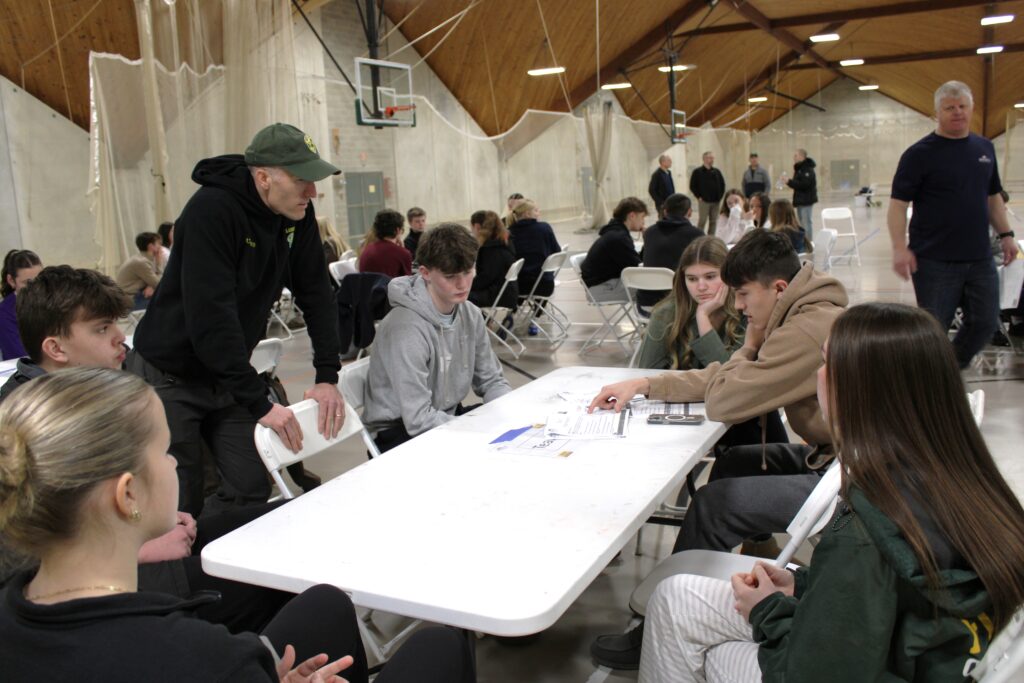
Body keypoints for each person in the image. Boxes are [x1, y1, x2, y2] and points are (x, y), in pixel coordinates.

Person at [0, 367, 477, 682]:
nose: (174, 464)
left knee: (328, 602)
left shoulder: (14, 610)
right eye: (166, 453)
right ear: (128, 496)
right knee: (441, 644)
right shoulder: (200, 657)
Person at [638, 303, 1024, 683]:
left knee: (691, 623)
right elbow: (892, 596)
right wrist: (803, 584)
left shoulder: (868, 524)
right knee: (678, 597)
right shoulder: (971, 482)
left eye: (825, 364)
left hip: (861, 664)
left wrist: (766, 610)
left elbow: (811, 672)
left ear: (855, 389)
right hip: (930, 654)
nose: (818, 375)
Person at [588, 229, 848, 670]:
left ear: (778, 289)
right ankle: (732, 574)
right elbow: (725, 378)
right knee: (733, 462)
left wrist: (748, 343)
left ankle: (659, 621)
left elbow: (726, 399)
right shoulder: (799, 310)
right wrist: (648, 383)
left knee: (712, 503)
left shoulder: (804, 329)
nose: (739, 304)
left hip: (855, 481)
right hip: (837, 455)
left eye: (744, 294)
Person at [0, 265, 302, 634]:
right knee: (283, 575)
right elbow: (14, 561)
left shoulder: (90, 397)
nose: (120, 340)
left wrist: (157, 522)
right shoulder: (21, 423)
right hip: (105, 583)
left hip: (133, 547)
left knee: (287, 521)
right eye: (101, 329)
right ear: (55, 348)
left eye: (115, 324)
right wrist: (140, 547)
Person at [128, 123, 345, 517]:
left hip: (225, 375)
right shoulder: (212, 211)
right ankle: (180, 573)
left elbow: (316, 292)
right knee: (179, 499)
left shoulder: (295, 214)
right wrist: (258, 401)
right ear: (263, 177)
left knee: (250, 486)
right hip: (170, 373)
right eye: (302, 180)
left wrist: (327, 374)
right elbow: (212, 319)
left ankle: (218, 564)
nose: (312, 192)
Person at [889, 80, 1017, 368]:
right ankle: (929, 384)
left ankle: (947, 370)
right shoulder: (919, 154)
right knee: (932, 330)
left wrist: (1006, 234)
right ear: (937, 112)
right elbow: (898, 205)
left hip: (980, 257)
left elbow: (993, 196)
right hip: (934, 261)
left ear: (971, 109)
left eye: (962, 107)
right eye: (950, 108)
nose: (957, 112)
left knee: (985, 322)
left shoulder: (984, 148)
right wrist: (899, 247)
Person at [364, 223, 512, 453]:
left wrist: (511, 414)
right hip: (397, 434)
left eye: (468, 271)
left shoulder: (470, 313)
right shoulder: (405, 328)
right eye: (450, 276)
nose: (462, 284)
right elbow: (418, 420)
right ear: (425, 273)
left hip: (444, 416)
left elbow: (491, 380)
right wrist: (479, 433)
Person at [635, 236, 743, 371]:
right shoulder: (666, 313)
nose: (701, 287)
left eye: (710, 277)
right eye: (692, 279)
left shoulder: (744, 310)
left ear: (728, 274)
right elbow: (646, 373)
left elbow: (728, 376)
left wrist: (702, 317)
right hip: (676, 391)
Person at [637, 193, 703, 308]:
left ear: (665, 211)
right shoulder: (696, 235)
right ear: (689, 212)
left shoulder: (649, 233)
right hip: (680, 305)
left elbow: (643, 259)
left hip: (646, 304)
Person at [581, 197, 646, 302]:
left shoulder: (616, 232)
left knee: (649, 286)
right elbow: (637, 268)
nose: (643, 222)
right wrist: (648, 242)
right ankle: (646, 317)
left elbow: (636, 264)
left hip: (605, 283)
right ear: (632, 216)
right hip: (600, 289)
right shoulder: (618, 237)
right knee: (652, 290)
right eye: (642, 217)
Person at [508, 198, 561, 300]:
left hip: (519, 286)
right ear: (527, 214)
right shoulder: (544, 228)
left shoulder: (510, 233)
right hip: (546, 284)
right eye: (536, 210)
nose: (539, 213)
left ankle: (514, 310)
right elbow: (557, 252)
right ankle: (538, 310)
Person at [468, 209, 518, 310]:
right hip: (508, 292)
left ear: (477, 227)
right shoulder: (504, 241)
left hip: (500, 296)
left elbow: (486, 278)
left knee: (458, 297)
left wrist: (467, 286)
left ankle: (477, 324)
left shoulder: (490, 249)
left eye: (472, 229)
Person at [0, 250, 42, 361]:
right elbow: (18, 357)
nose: (35, 287)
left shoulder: (52, 301)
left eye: (39, 280)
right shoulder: (4, 314)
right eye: (27, 283)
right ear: (11, 280)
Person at [358, 209, 412, 278]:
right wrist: (402, 250)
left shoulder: (366, 250)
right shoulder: (403, 254)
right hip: (388, 288)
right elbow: (407, 284)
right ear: (398, 230)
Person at [116, 231, 164, 310]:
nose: (161, 247)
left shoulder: (141, 259)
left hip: (132, 295)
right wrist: (159, 264)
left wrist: (151, 285)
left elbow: (153, 281)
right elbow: (158, 284)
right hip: (131, 298)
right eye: (158, 244)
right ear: (151, 246)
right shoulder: (141, 262)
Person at [784, 148, 817, 241]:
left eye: (796, 155)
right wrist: (789, 182)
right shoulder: (799, 169)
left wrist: (789, 181)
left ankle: (809, 242)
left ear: (802, 156)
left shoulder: (807, 169)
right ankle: (804, 241)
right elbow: (797, 184)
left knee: (806, 222)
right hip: (800, 200)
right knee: (802, 223)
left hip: (806, 200)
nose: (794, 157)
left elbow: (804, 184)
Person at [689, 151, 726, 235]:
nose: (712, 160)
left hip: (716, 201)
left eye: (712, 158)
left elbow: (722, 184)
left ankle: (710, 238)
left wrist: (720, 196)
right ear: (704, 159)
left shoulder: (716, 172)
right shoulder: (697, 172)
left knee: (713, 221)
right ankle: (698, 237)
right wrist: (698, 196)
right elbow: (692, 186)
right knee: (702, 221)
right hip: (704, 201)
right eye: (710, 158)